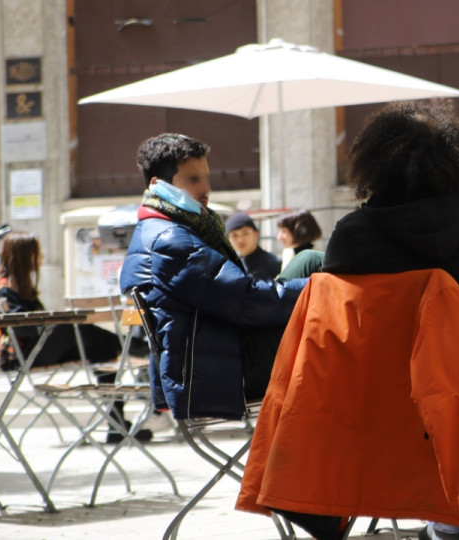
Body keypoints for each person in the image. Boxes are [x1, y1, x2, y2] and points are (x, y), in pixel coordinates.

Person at [322, 99, 459, 540]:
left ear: (375, 163)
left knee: (432, 411)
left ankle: (447, 518)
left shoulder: (351, 234)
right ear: (453, 160)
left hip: (402, 388)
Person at [119, 133, 307, 420]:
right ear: (158, 185)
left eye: (207, 177)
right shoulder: (171, 239)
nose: (206, 188)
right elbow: (247, 300)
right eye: (193, 179)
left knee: (309, 263)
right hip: (219, 371)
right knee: (316, 277)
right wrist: (317, 289)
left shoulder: (162, 228)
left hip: (215, 358)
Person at [0, 232, 152, 444]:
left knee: (100, 349)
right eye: (36, 253)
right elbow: (24, 330)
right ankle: (135, 346)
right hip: (21, 357)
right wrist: (50, 323)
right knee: (74, 327)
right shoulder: (5, 288)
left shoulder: (15, 286)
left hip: (33, 352)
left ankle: (116, 423)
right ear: (23, 256)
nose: (41, 257)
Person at [224, 212, 281, 281]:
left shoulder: (274, 264)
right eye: (234, 235)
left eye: (245, 233)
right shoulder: (229, 267)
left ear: (256, 234)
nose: (240, 240)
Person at [276, 209, 324, 280]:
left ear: (299, 231)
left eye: (284, 231)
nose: (279, 237)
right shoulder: (287, 252)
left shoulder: (315, 260)